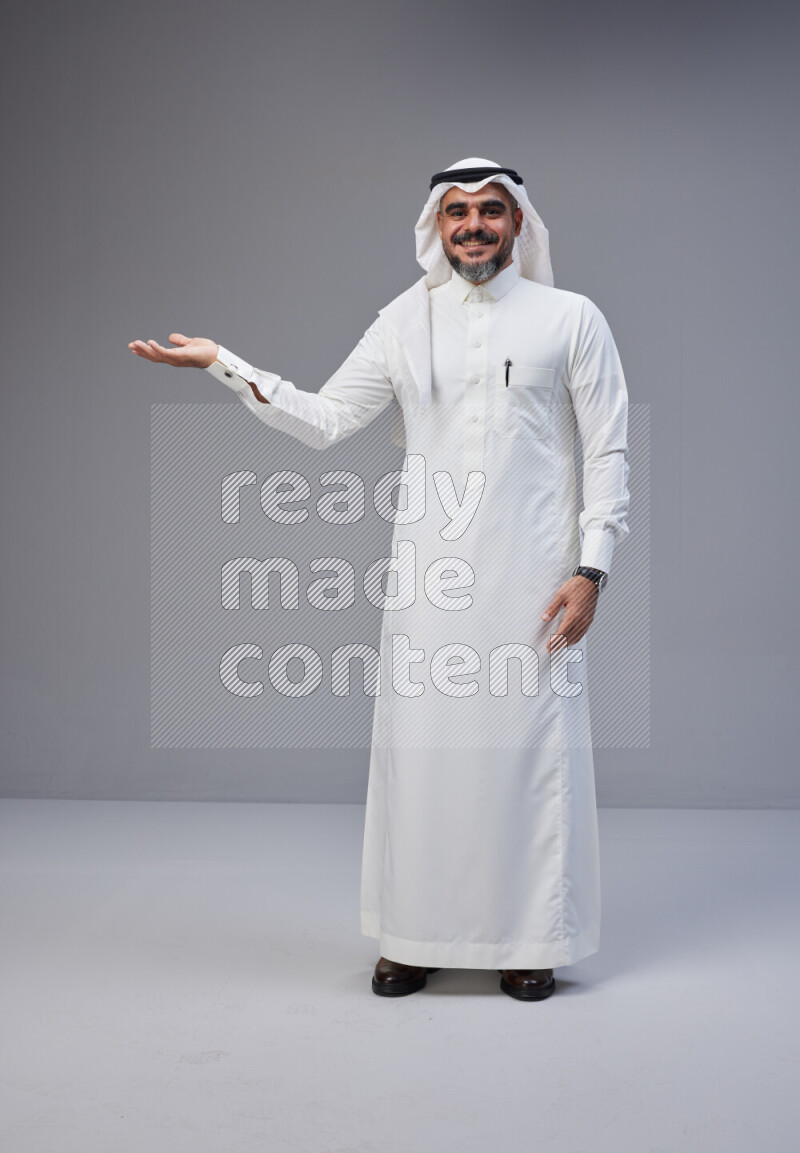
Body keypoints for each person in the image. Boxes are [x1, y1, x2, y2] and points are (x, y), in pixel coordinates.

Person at [129, 157, 630, 1002]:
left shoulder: (570, 318)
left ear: (519, 224)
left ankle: (528, 938)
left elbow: (608, 448)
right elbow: (324, 421)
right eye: (457, 212)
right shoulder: (403, 322)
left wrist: (593, 571)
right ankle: (414, 936)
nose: (473, 225)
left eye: (491, 211)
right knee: (423, 761)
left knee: (527, 757)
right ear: (437, 225)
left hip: (536, 580)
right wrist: (224, 363)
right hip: (429, 584)